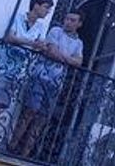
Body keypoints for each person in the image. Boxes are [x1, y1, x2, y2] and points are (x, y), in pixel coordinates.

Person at [0, 0, 52, 145]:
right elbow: (10, 37)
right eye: (46, 7)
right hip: (1, 66)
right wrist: (30, 43)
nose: (48, 12)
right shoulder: (18, 18)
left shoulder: (40, 27)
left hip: (17, 72)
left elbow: (40, 44)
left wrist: (37, 45)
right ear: (36, 5)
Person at [10, 10, 83, 156]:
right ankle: (12, 147)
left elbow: (79, 62)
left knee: (42, 118)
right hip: (41, 76)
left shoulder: (79, 43)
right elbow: (51, 52)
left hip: (56, 83)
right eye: (67, 18)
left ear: (79, 24)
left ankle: (25, 153)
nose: (68, 22)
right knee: (30, 111)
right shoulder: (55, 31)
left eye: (73, 20)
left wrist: (63, 57)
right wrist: (69, 59)